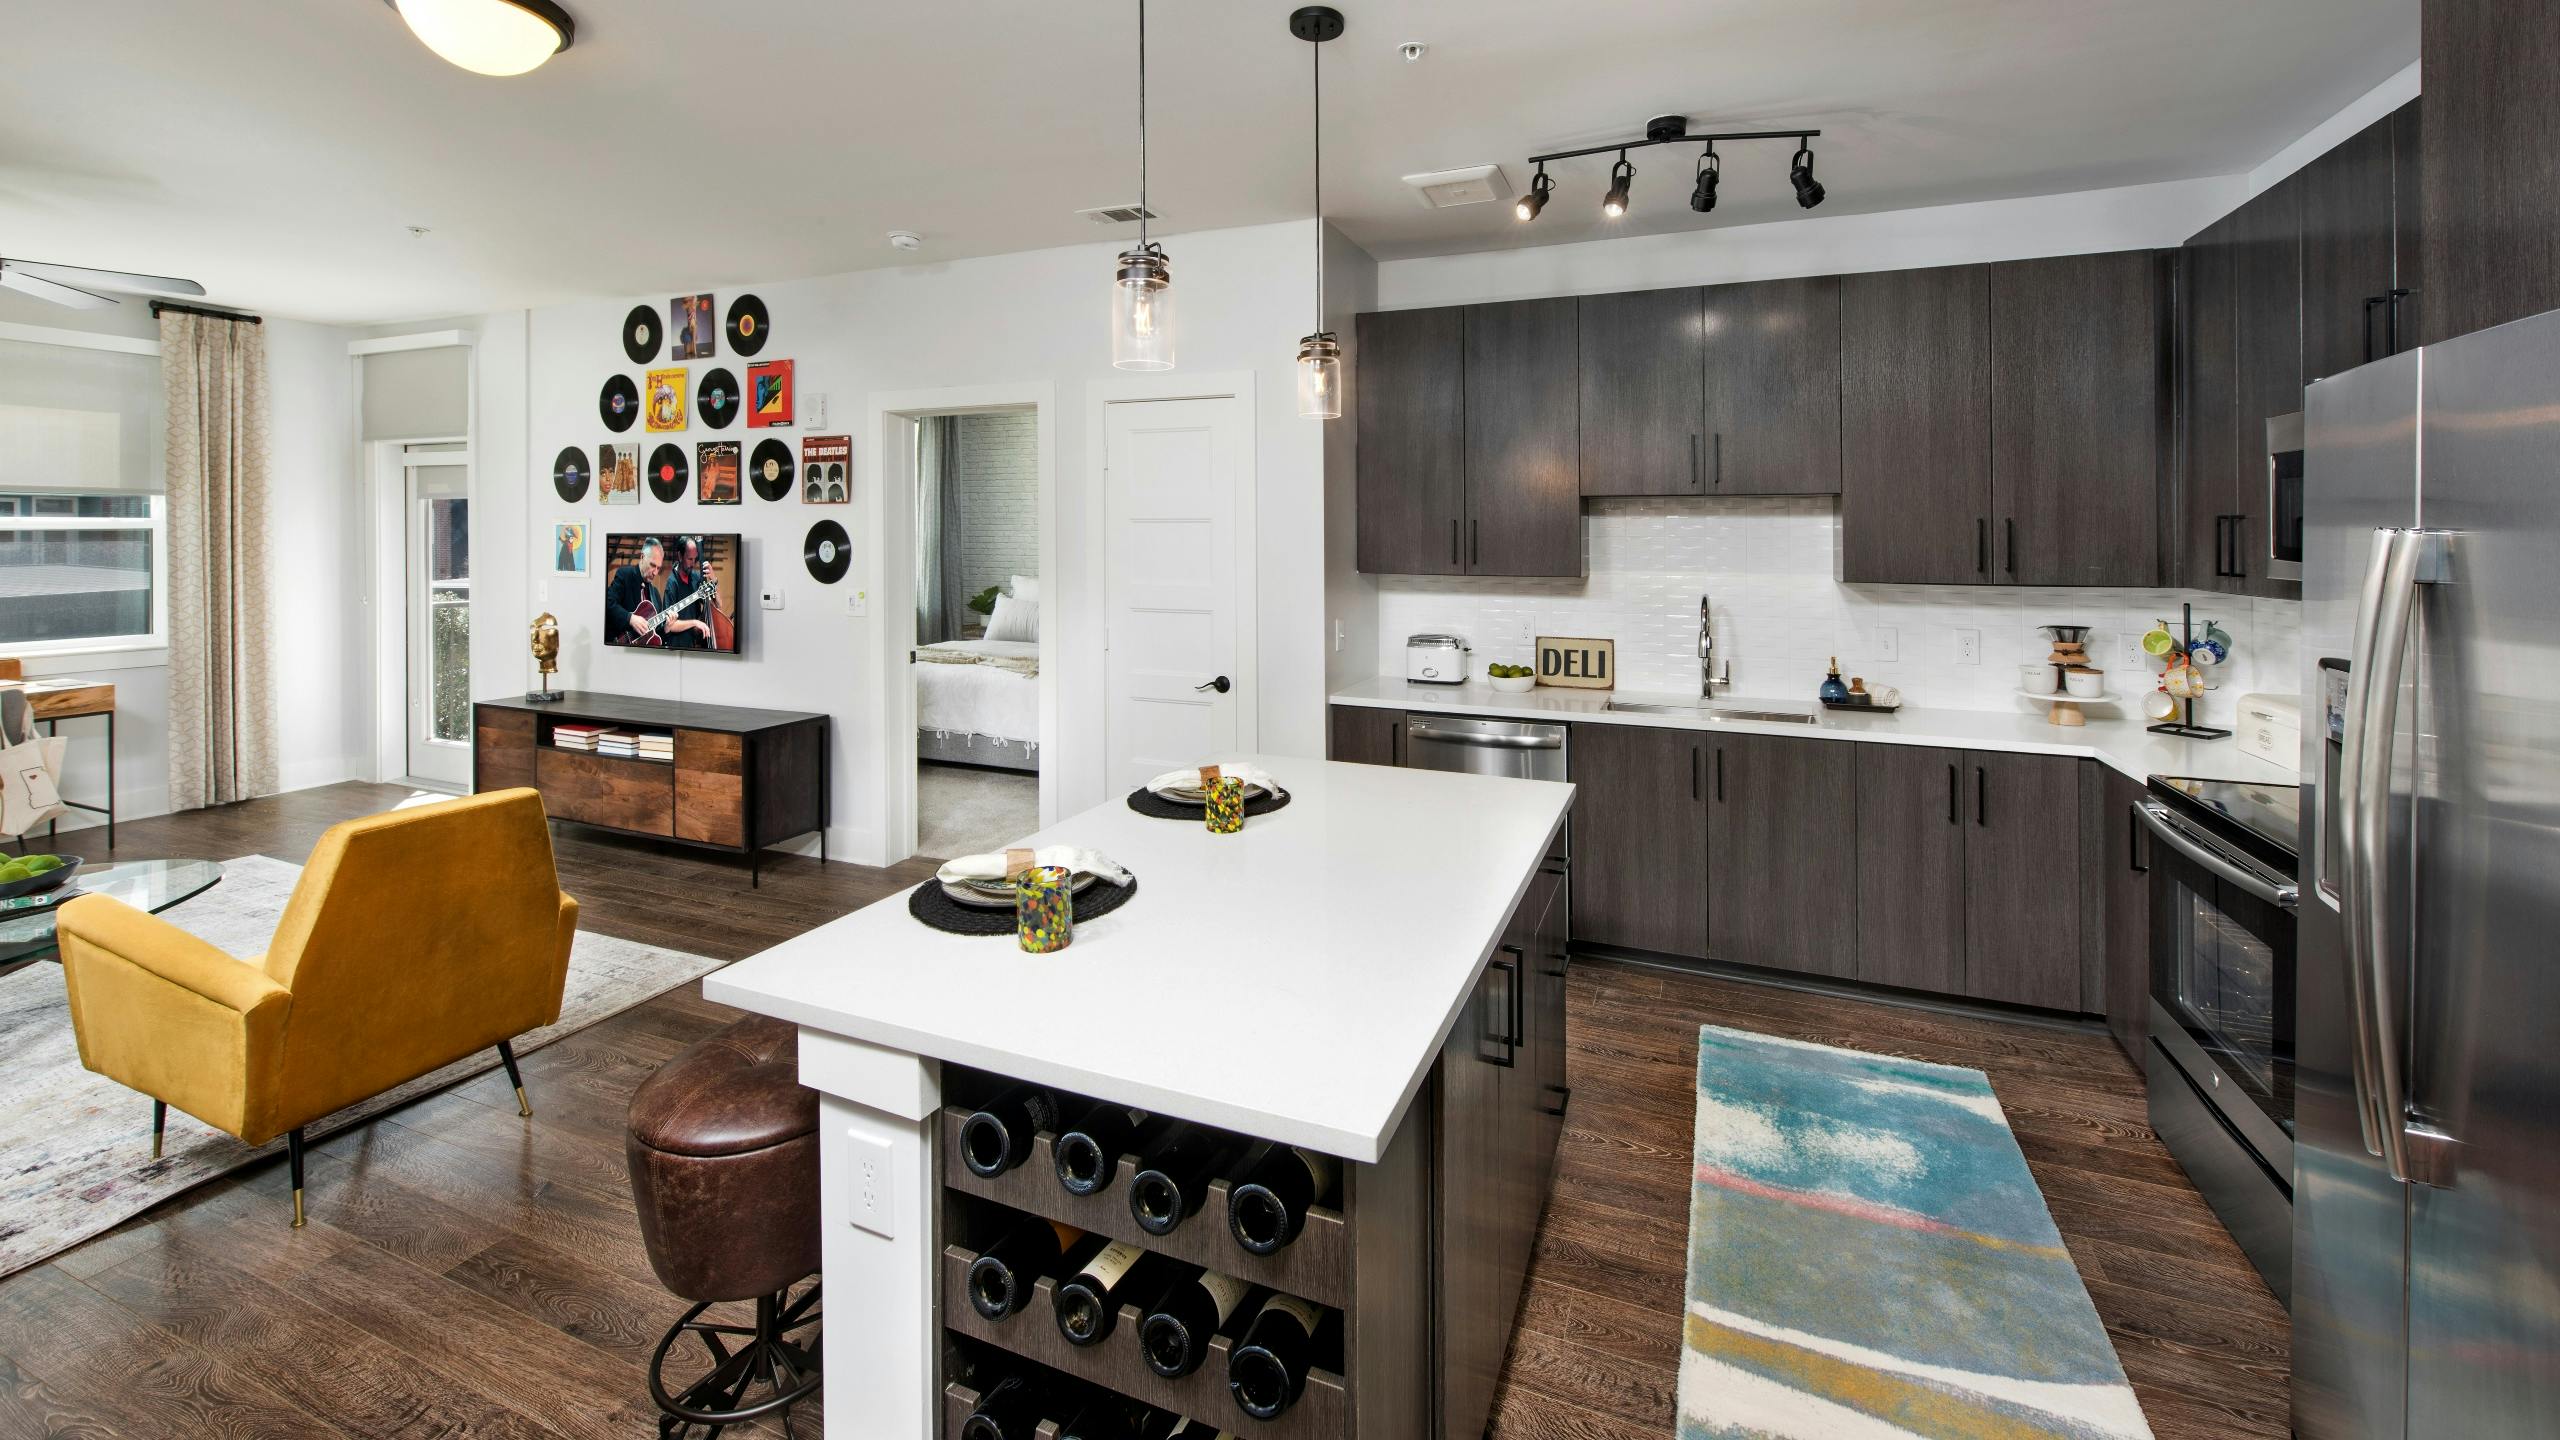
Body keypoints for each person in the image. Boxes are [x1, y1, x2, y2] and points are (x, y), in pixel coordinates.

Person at [605, 537, 667, 645]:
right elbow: (608, 603)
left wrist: (666, 628)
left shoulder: (655, 595)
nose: (655, 573)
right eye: (653, 565)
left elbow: (655, 633)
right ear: (642, 557)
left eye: (658, 568)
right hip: (617, 646)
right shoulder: (625, 575)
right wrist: (630, 618)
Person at [657, 536, 715, 650]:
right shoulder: (672, 583)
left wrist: (714, 580)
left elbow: (718, 604)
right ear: (680, 556)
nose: (693, 563)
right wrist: (695, 622)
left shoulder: (696, 577)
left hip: (694, 644)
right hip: (676, 646)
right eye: (689, 559)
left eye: (695, 559)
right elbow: (670, 625)